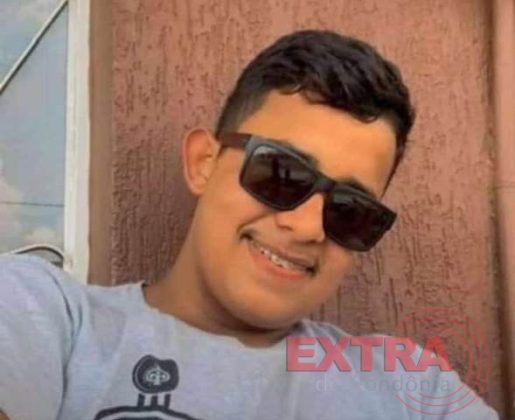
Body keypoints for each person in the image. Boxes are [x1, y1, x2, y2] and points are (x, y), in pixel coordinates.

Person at [0, 30, 498, 420]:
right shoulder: (50, 320)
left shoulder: (411, 387)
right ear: (204, 162)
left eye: (350, 209)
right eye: (281, 173)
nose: (308, 227)